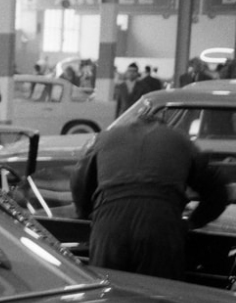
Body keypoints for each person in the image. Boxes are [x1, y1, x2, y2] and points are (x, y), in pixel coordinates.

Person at [70, 103, 228, 280]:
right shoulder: (180, 140)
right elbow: (218, 192)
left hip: (109, 226)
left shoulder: (105, 138)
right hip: (160, 225)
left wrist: (84, 213)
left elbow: (78, 182)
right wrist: (193, 222)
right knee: (157, 297)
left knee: (107, 295)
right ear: (161, 124)